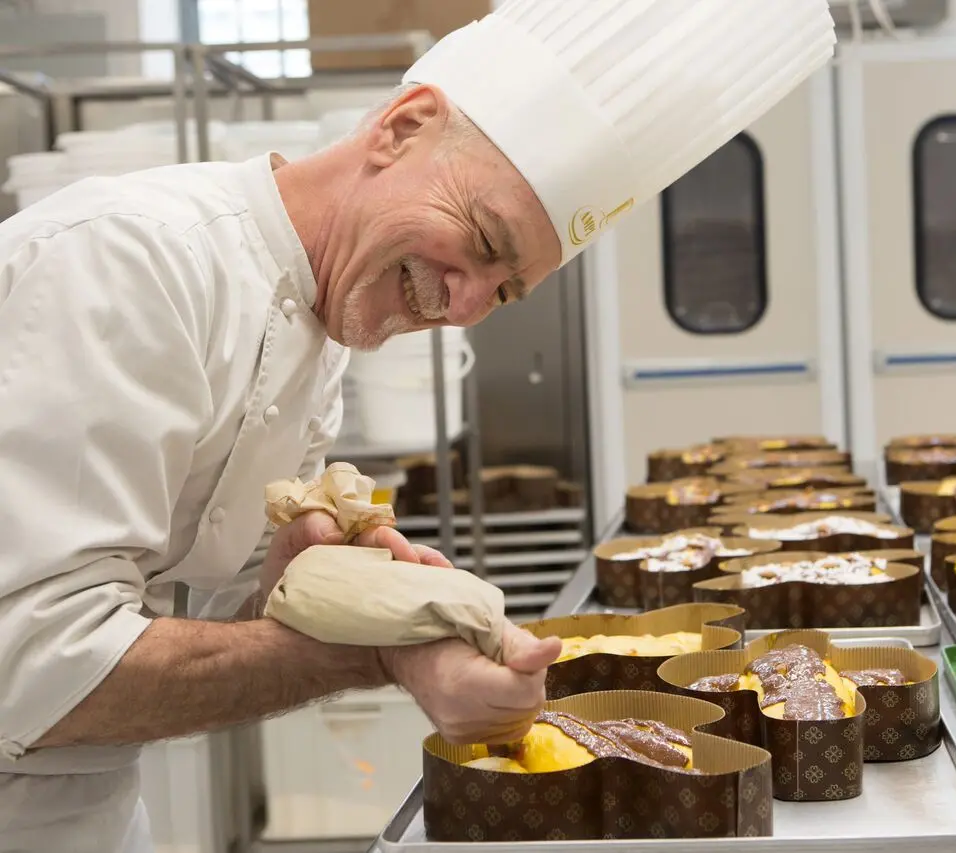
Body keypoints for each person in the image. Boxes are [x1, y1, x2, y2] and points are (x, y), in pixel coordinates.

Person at [0, 1, 837, 850]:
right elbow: (30, 667)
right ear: (403, 126)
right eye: (481, 238)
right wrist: (377, 652)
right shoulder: (132, 265)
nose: (468, 306)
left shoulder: (318, 331)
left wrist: (311, 594)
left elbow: (196, 640)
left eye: (505, 290)